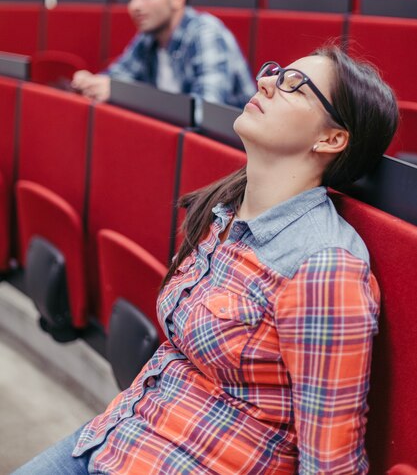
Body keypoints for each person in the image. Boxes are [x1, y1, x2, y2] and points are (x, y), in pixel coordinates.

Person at [13, 44, 398, 474]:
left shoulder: (324, 267)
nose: (266, 82)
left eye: (294, 85)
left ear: (331, 139)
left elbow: (331, 465)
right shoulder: (227, 210)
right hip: (123, 436)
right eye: (274, 71)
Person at [71, 0, 256, 114]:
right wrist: (92, 83)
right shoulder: (148, 37)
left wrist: (124, 93)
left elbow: (205, 112)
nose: (134, 6)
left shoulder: (206, 33)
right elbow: (117, 77)